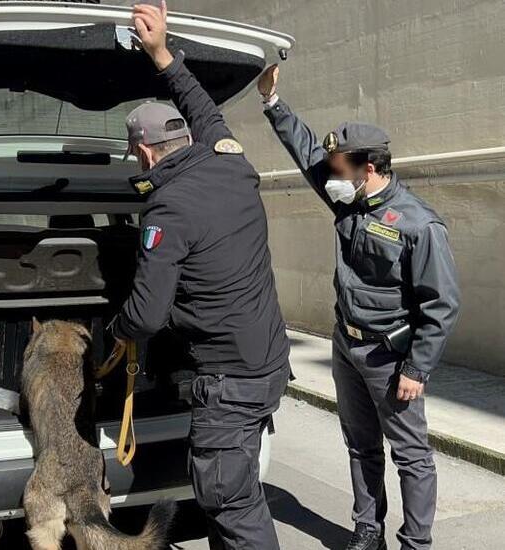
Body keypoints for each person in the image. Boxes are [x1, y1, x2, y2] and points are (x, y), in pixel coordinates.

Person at [258, 64, 460, 550]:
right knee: (360, 445)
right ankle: (368, 530)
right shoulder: (349, 202)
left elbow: (442, 303)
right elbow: (308, 153)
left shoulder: (418, 225)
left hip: (391, 358)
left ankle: (415, 542)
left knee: (410, 454)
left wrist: (417, 368)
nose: (330, 176)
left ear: (368, 168)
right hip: (347, 346)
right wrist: (272, 103)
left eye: (339, 169)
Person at [110, 4, 290, 549]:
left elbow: (146, 315)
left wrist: (114, 332)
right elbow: (201, 106)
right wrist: (161, 52)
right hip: (267, 367)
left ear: (145, 152)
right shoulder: (229, 161)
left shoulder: (168, 210)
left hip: (230, 385)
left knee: (231, 504)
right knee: (234, 495)